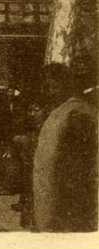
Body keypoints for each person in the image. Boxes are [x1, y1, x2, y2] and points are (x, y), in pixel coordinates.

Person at [33, 63, 98, 232]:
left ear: (65, 84)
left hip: (66, 204)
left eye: (52, 86)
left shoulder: (77, 113)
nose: (47, 91)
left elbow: (79, 168)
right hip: (51, 199)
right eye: (45, 87)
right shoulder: (60, 111)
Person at [12, 99, 45, 228]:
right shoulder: (30, 128)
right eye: (30, 111)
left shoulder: (46, 129)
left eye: (36, 110)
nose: (31, 114)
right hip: (29, 164)